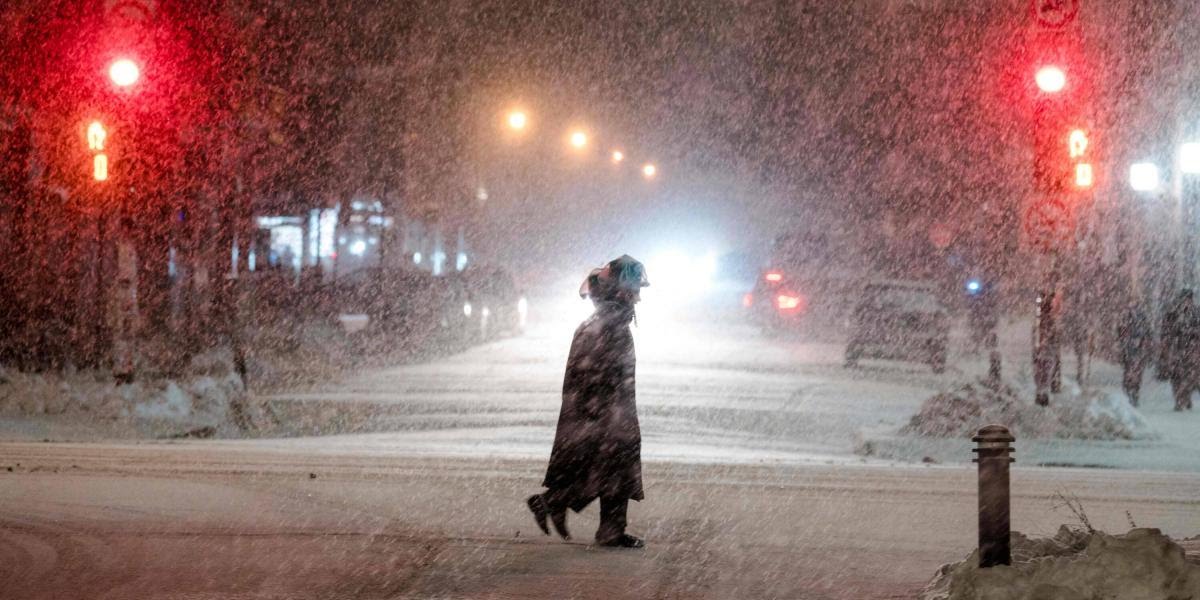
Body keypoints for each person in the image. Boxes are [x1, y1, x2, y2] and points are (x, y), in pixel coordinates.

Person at [527, 255, 649, 548]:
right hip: (605, 409)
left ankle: (595, 523)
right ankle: (565, 508)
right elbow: (595, 374)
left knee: (609, 467)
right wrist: (606, 414)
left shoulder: (607, 316)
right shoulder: (608, 321)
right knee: (611, 465)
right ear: (621, 288)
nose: (639, 295)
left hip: (606, 408)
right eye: (635, 287)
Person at [1161, 289, 1198, 411]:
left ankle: (1185, 397)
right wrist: (1166, 344)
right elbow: (1165, 330)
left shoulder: (1196, 313)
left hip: (1192, 349)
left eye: (1188, 299)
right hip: (1176, 349)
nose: (1185, 302)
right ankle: (1178, 400)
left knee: (1189, 376)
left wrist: (1190, 333)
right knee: (1176, 376)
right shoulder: (1173, 313)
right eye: (1184, 299)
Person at [1117, 301, 1152, 406]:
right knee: (1130, 373)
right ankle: (1129, 393)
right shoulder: (1126, 319)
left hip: (1137, 351)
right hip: (1130, 351)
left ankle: (1133, 393)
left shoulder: (1141, 320)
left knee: (1135, 373)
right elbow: (1120, 333)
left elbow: (1148, 334)